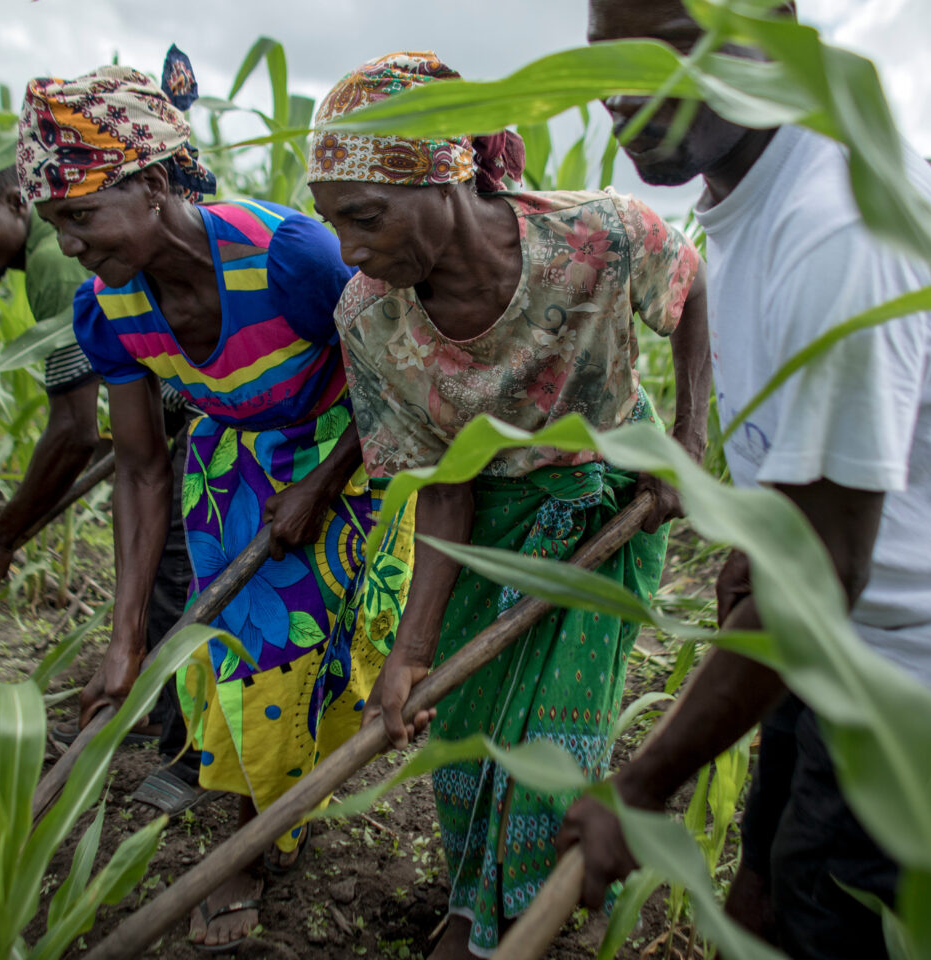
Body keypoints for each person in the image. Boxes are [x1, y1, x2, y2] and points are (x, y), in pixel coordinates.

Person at [560, 4, 931, 959]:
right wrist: (755, 536)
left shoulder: (835, 225)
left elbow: (818, 579)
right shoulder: (758, 185)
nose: (628, 87)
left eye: (674, 40)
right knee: (767, 894)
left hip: (922, 695)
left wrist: (643, 785)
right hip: (840, 649)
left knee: (831, 931)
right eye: (611, 53)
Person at [307, 51, 709, 960]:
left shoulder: (597, 237)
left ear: (447, 178)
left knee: (553, 739)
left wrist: (686, 440)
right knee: (468, 726)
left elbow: (689, 292)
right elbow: (442, 482)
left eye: (364, 218)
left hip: (610, 508)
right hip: (487, 526)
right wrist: (409, 654)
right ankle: (469, 900)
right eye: (333, 223)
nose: (350, 249)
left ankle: (517, 925)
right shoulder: (370, 318)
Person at [17, 53, 413, 951]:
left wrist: (321, 482)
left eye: (81, 216)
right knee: (229, 649)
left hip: (346, 451)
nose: (71, 245)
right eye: (56, 225)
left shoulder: (288, 257)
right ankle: (254, 819)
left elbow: (390, 374)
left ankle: (268, 821)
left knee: (308, 653)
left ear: (152, 185)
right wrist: (124, 636)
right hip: (228, 467)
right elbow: (141, 467)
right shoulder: (107, 309)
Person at [0, 129, 202, 795]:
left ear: (17, 203)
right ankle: (148, 709)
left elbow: (72, 430)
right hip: (167, 417)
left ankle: (190, 752)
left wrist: (0, 536)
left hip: (201, 418)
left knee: (171, 574)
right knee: (155, 568)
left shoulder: (53, 259)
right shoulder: (55, 247)